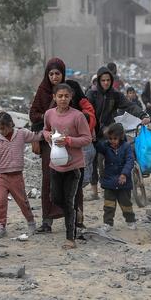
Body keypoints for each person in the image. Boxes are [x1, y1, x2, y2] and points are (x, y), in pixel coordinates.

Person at [29, 58, 95, 233]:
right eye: (51, 73)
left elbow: (85, 111)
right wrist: (49, 117)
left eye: (57, 73)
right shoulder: (43, 91)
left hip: (71, 144)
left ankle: (76, 219)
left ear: (63, 74)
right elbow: (33, 115)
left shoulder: (71, 88)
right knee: (49, 181)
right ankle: (47, 220)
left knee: (74, 181)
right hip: (49, 146)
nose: (54, 77)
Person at [87, 66, 149, 199]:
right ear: (98, 80)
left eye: (108, 80)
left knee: (107, 158)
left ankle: (109, 186)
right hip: (93, 131)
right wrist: (92, 129)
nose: (105, 83)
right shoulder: (91, 94)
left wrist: (143, 115)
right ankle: (94, 191)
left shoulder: (114, 94)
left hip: (109, 131)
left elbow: (130, 105)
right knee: (93, 161)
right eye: (103, 80)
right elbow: (88, 114)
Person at [42, 83, 92, 249]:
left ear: (71, 97)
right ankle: (75, 213)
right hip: (55, 164)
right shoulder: (49, 114)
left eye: (66, 96)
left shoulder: (77, 116)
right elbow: (45, 130)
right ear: (54, 97)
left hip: (74, 167)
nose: (63, 99)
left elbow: (87, 139)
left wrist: (69, 140)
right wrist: (48, 135)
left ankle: (70, 238)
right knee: (56, 198)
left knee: (69, 201)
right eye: (60, 96)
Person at [0, 112, 39, 238]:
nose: (2, 131)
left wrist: (50, 134)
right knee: (0, 201)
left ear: (11, 124)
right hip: (2, 176)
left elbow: (36, 136)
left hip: (16, 176)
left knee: (23, 202)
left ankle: (31, 222)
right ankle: (1, 226)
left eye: (3, 128)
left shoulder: (21, 134)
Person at [94, 123, 136, 232]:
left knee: (126, 204)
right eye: (110, 139)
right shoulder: (106, 146)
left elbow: (130, 161)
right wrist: (94, 140)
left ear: (121, 137)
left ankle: (130, 220)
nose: (113, 141)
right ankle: (108, 223)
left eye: (115, 139)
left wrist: (124, 174)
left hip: (123, 183)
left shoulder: (126, 147)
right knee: (109, 205)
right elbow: (98, 147)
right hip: (109, 182)